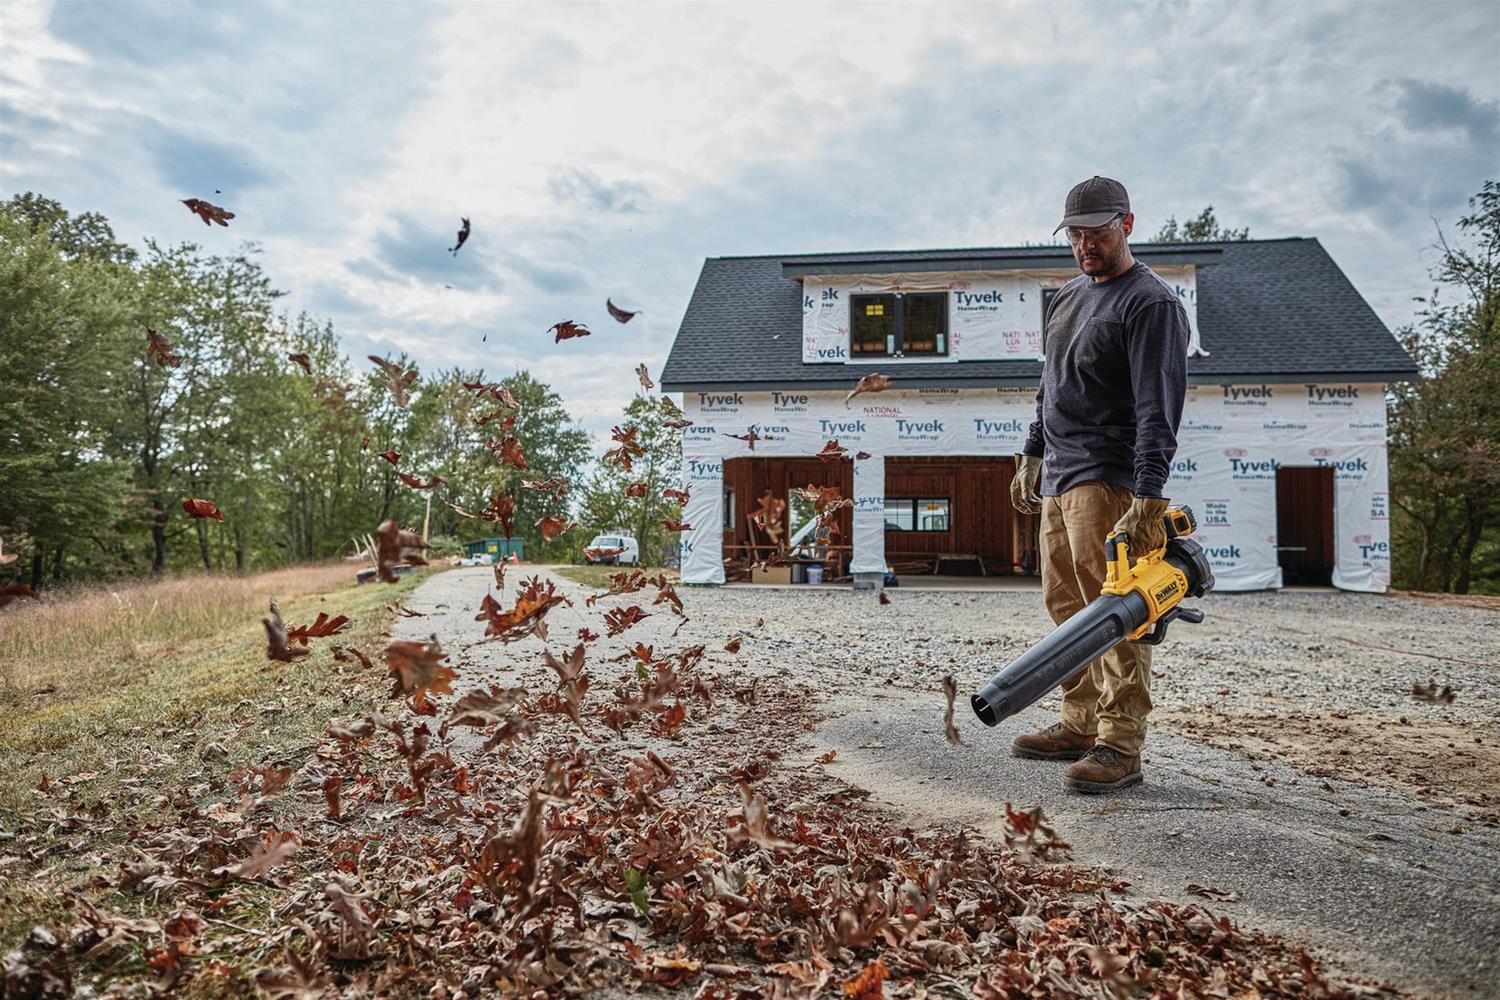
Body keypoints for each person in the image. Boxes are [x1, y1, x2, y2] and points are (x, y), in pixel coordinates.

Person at [1009, 176, 1190, 793]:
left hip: (1108, 479)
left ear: (1128, 225)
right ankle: (1079, 723)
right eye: (1076, 234)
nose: (1086, 245)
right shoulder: (1066, 298)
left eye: (1098, 232)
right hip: (1059, 475)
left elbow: (1157, 406)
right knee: (1066, 611)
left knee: (1116, 613)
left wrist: (1149, 494)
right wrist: (1033, 450)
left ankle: (1120, 744)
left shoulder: (1150, 303)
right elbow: (1049, 384)